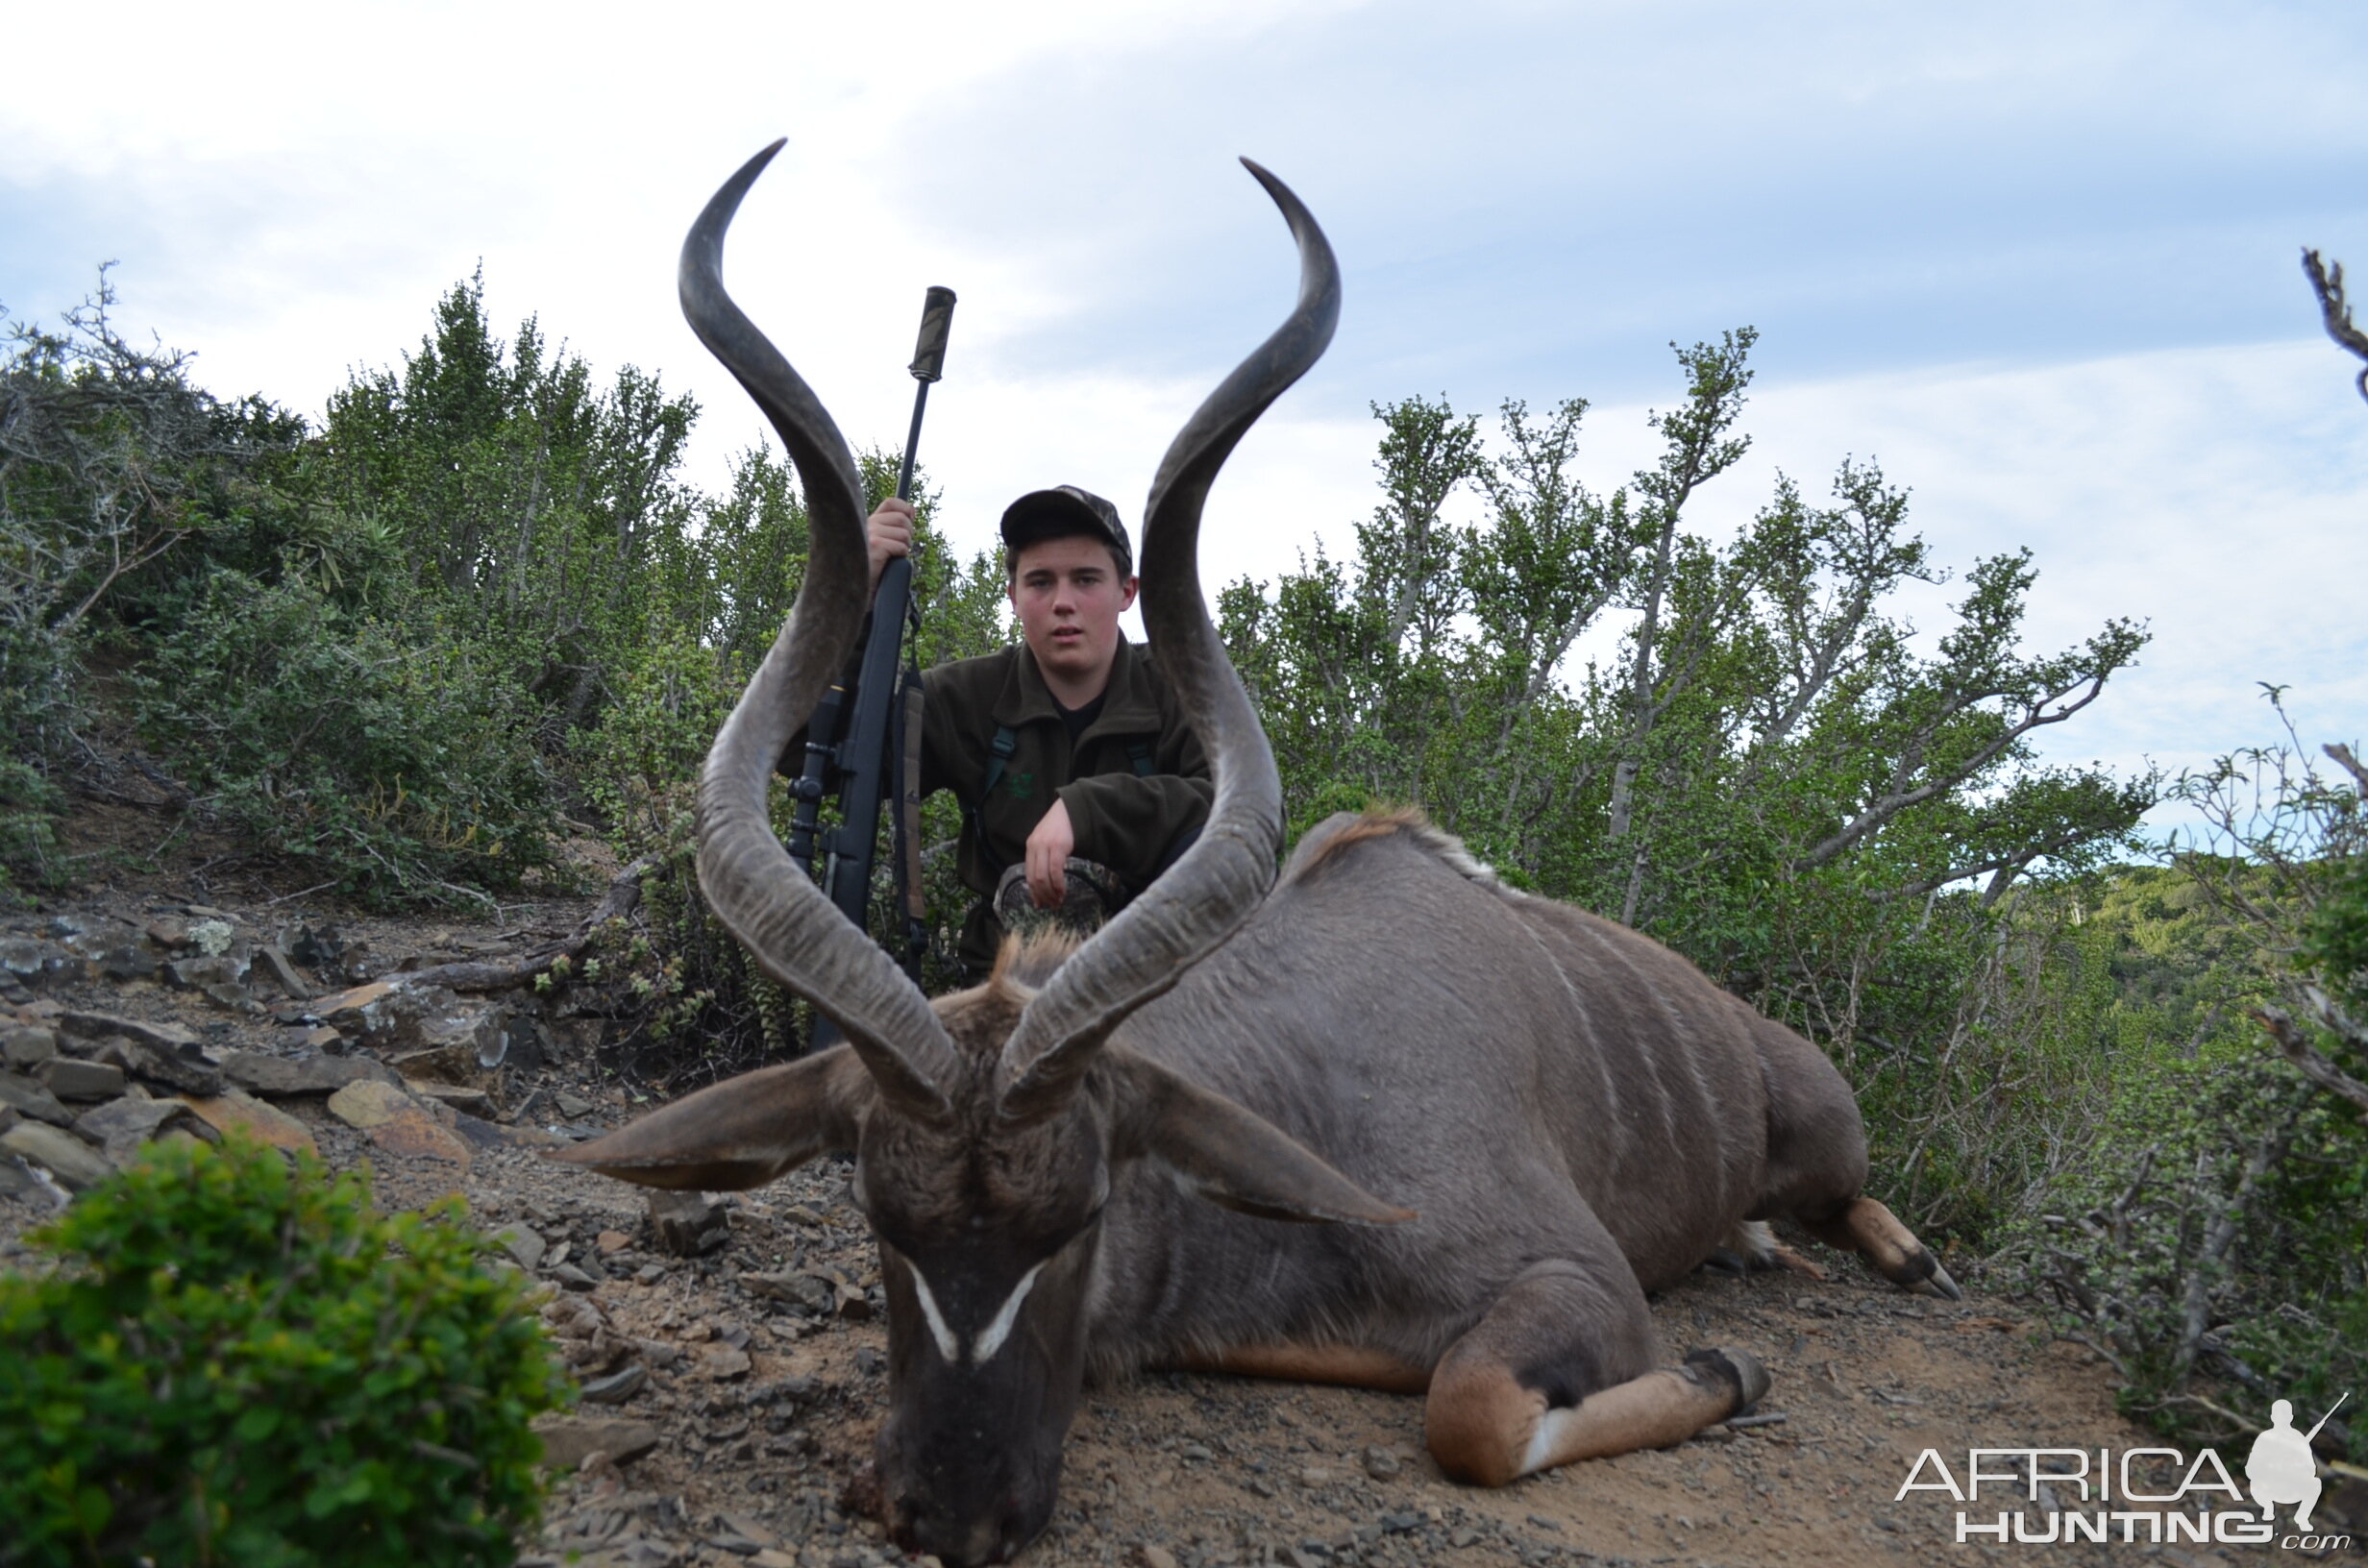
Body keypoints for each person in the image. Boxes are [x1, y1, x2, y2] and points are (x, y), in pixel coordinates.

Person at [860, 485, 1212, 981]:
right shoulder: (963, 696)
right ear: (1013, 596)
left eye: (1086, 579)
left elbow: (1250, 810)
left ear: (1126, 592)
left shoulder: (1186, 683)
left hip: (1159, 983)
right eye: (1040, 582)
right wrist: (856, 600)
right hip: (1005, 989)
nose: (1063, 603)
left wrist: (1086, 809)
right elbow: (824, 758)